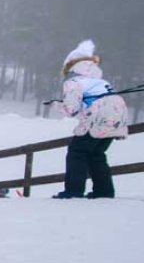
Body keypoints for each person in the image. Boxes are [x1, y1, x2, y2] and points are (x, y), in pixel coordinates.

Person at [52, 40, 129, 199]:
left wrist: (56, 105)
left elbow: (71, 109)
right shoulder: (101, 82)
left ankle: (74, 191)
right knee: (96, 153)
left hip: (100, 114)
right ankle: (104, 191)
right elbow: (88, 107)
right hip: (117, 115)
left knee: (77, 152)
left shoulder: (74, 82)